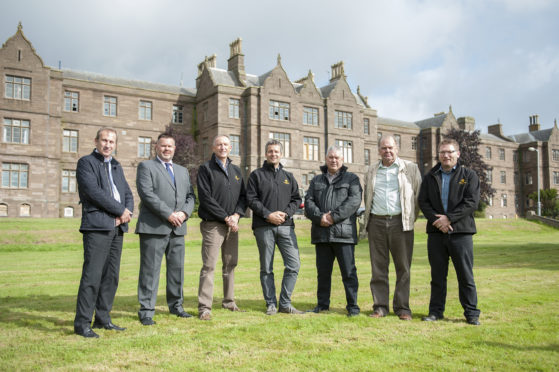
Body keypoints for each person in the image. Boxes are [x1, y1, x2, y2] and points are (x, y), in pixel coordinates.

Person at [74, 127, 134, 338]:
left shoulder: (116, 166)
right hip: (97, 226)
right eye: (104, 140)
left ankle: (103, 319)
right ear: (96, 141)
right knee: (92, 276)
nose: (108, 145)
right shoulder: (86, 163)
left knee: (111, 276)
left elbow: (127, 192)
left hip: (117, 228)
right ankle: (82, 324)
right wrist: (119, 211)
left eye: (111, 141)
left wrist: (127, 213)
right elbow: (93, 192)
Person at [418, 138, 481, 325]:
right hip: (436, 233)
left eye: (450, 152)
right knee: (437, 276)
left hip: (461, 233)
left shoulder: (469, 175)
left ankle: (471, 314)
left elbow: (471, 202)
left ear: (458, 154)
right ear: (438, 154)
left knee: (465, 275)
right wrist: (438, 221)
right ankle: (436, 312)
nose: (446, 155)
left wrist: (449, 218)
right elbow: (423, 202)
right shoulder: (430, 176)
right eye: (443, 152)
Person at [136, 133, 196, 325]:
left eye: (170, 146)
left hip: (178, 229)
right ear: (156, 147)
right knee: (150, 271)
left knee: (176, 270)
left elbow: (190, 197)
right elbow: (147, 194)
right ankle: (146, 311)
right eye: (163, 146)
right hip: (154, 227)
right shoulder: (146, 167)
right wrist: (169, 214)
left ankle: (176, 306)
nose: (167, 149)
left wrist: (184, 214)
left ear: (174, 148)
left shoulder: (182, 171)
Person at [363, 135, 421, 320]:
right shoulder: (371, 170)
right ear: (378, 150)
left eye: (390, 147)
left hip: (401, 223)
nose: (387, 151)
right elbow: (367, 196)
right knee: (378, 267)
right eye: (383, 148)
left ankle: (403, 308)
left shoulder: (410, 168)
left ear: (397, 148)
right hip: (376, 222)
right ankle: (380, 307)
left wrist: (409, 218)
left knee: (403, 267)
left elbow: (418, 197)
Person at [246, 139, 304, 315]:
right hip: (264, 227)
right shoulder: (256, 175)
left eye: (276, 152)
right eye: (270, 151)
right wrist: (268, 215)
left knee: (294, 264)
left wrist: (285, 214)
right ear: (266, 154)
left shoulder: (288, 177)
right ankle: (271, 303)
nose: (273, 154)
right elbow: (251, 199)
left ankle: (285, 304)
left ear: (281, 154)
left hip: (286, 227)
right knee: (266, 267)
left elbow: (296, 199)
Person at [305, 145, 362, 317]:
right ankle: (322, 305)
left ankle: (352, 306)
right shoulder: (317, 180)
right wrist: (320, 217)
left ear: (342, 160)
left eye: (337, 157)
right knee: (323, 273)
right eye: (330, 157)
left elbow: (354, 201)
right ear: (326, 159)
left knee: (349, 273)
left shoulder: (351, 179)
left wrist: (332, 217)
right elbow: (308, 202)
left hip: (344, 234)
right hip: (321, 234)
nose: (333, 160)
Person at [196, 135, 247, 321]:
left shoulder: (236, 170)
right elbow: (205, 198)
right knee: (209, 265)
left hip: (232, 225)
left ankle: (229, 301)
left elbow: (243, 197)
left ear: (230, 147)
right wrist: (226, 217)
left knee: (230, 264)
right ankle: (204, 308)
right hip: (213, 225)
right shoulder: (205, 169)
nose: (222, 147)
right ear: (213, 147)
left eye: (225, 144)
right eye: (219, 144)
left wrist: (236, 215)